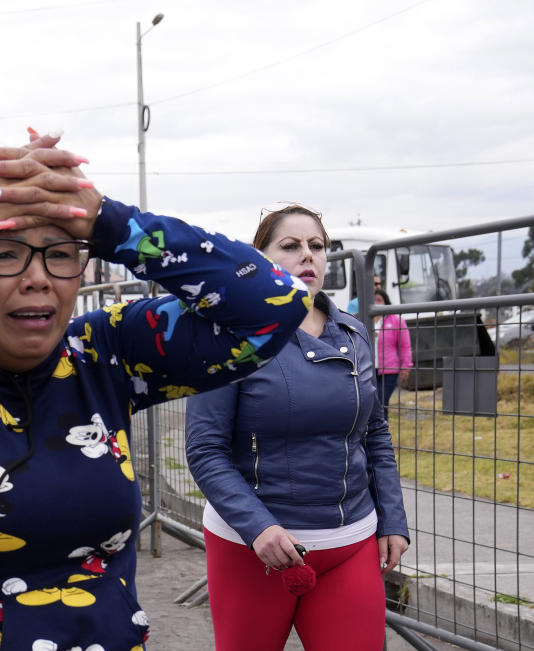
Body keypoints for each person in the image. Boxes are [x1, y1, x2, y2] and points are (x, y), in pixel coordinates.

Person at [0, 132, 312, 650]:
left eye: (60, 253)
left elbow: (275, 306)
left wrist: (109, 223)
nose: (39, 278)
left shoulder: (103, 351)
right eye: (4, 254)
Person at [184, 204, 409, 650]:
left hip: (350, 542)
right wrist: (258, 528)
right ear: (262, 259)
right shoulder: (227, 338)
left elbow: (376, 435)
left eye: (317, 246)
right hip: (257, 550)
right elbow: (205, 449)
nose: (308, 255)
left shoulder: (354, 333)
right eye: (291, 246)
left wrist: (393, 521)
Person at [373, 287, 412, 407]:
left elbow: (405, 346)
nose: (376, 303)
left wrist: (405, 367)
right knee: (371, 405)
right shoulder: (365, 319)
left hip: (389, 371)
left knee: (380, 402)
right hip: (369, 370)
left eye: (379, 300)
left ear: (386, 303)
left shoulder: (396, 321)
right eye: (373, 300)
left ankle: (381, 426)